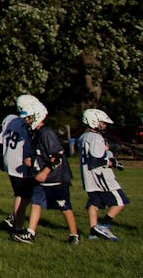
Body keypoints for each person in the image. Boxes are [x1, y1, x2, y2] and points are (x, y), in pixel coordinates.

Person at [13, 95, 78, 244]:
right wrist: (32, 161)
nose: (27, 121)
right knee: (36, 203)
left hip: (56, 178)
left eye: (29, 118)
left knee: (64, 207)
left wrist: (45, 172)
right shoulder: (36, 133)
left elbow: (57, 156)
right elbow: (41, 154)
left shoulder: (46, 133)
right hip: (42, 180)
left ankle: (74, 235)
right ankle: (31, 233)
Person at [79, 108, 127, 241]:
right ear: (93, 121)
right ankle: (103, 225)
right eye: (102, 122)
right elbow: (96, 160)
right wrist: (112, 163)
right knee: (120, 201)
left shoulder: (84, 137)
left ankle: (93, 232)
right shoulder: (95, 137)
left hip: (89, 176)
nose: (104, 125)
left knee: (94, 203)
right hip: (100, 176)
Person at [0, 97, 36, 231]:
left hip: (10, 161)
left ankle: (15, 219)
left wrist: (2, 158)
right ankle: (17, 224)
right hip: (21, 163)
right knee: (26, 195)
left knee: (22, 194)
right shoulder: (25, 124)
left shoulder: (10, 120)